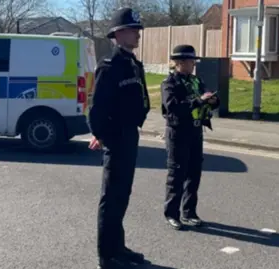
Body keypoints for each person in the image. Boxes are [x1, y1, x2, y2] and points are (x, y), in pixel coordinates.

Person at [87, 7, 150, 269]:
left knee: (122, 195)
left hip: (130, 135)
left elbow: (142, 98)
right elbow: (96, 105)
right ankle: (107, 255)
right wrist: (100, 134)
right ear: (119, 33)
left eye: (138, 30)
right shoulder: (109, 66)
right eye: (133, 30)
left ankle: (118, 247)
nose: (137, 34)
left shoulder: (133, 64)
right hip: (116, 136)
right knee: (111, 197)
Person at [161, 44, 220, 230]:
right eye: (190, 61)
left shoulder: (196, 81)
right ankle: (172, 214)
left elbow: (205, 102)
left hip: (195, 132)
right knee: (177, 175)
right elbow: (173, 107)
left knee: (194, 174)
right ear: (179, 62)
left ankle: (189, 212)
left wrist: (212, 101)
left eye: (194, 60)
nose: (193, 64)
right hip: (178, 133)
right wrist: (198, 100)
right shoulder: (169, 83)